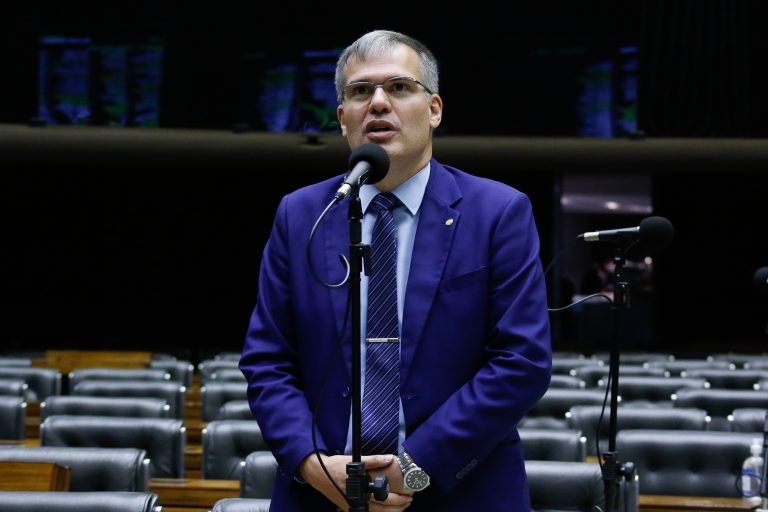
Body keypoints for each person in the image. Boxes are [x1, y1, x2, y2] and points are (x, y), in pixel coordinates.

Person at [239, 29, 552, 511]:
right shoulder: (300, 215)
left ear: (434, 109)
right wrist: (312, 464)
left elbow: (521, 361)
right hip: (322, 494)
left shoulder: (498, 212)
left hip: (461, 492)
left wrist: (412, 468)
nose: (378, 103)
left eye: (400, 87)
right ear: (343, 118)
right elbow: (267, 360)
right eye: (360, 91)